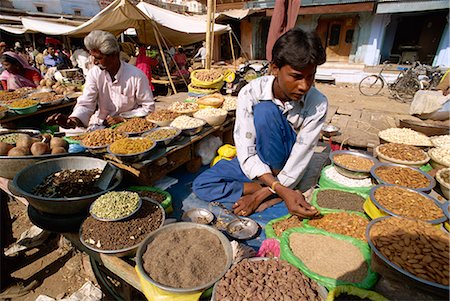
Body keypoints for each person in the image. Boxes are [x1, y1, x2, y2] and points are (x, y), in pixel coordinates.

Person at [193, 28, 328, 218]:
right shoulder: (250, 92)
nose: (304, 86)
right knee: (202, 184)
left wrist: (258, 197)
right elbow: (246, 151)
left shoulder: (317, 103)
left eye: (310, 76)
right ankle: (275, 191)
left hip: (286, 165)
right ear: (274, 68)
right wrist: (274, 188)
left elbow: (300, 157)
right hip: (259, 162)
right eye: (296, 76)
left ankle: (272, 191)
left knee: (266, 112)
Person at [46, 30, 155, 129]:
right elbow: (86, 103)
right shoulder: (95, 73)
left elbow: (148, 108)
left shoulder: (136, 75)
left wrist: (123, 118)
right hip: (99, 126)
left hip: (129, 127)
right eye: (93, 57)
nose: (95, 62)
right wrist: (74, 120)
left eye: (98, 58)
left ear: (114, 56)